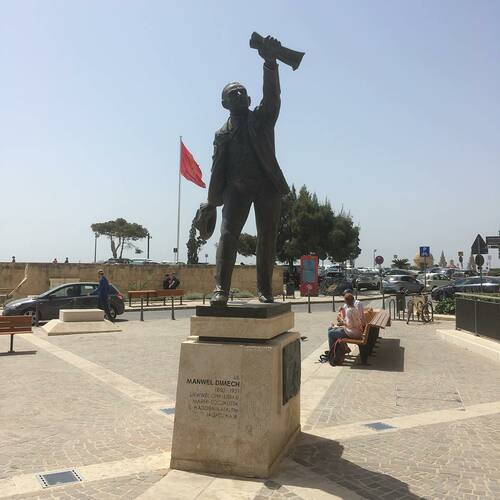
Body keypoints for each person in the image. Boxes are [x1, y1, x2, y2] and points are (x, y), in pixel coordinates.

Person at [202, 36, 289, 306]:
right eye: (232, 94)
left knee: (267, 238)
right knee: (228, 236)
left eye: (242, 92)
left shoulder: (262, 119)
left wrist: (270, 63)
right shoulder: (221, 134)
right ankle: (221, 290)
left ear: (249, 98)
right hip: (236, 189)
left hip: (266, 186)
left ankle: (265, 289)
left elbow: (272, 96)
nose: (239, 95)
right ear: (224, 104)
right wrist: (212, 200)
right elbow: (218, 168)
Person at [327, 293, 364, 360]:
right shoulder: (355, 309)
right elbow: (352, 322)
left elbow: (350, 325)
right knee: (331, 329)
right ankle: (340, 350)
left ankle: (333, 355)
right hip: (357, 331)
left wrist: (341, 323)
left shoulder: (349, 310)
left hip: (353, 333)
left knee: (331, 333)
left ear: (346, 301)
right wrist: (342, 317)